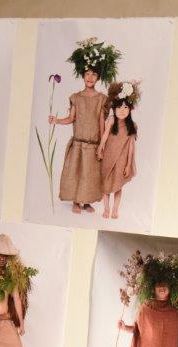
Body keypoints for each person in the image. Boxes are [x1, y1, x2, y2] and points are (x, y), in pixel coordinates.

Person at [51, 37, 120, 215]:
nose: (90, 77)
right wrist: (57, 120)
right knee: (76, 173)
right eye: (87, 74)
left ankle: (87, 202)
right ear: (83, 75)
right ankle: (76, 201)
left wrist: (102, 144)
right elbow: (71, 118)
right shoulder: (76, 97)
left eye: (94, 74)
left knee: (90, 175)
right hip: (78, 144)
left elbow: (101, 124)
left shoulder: (101, 99)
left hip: (93, 145)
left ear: (98, 78)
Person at [97, 80, 139, 220]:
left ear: (130, 109)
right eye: (119, 107)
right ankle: (106, 208)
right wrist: (100, 148)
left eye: (126, 107)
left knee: (117, 185)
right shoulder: (112, 120)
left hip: (121, 159)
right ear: (114, 108)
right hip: (108, 157)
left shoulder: (132, 125)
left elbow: (131, 146)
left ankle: (115, 209)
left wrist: (128, 164)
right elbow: (105, 136)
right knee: (106, 184)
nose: (122, 110)